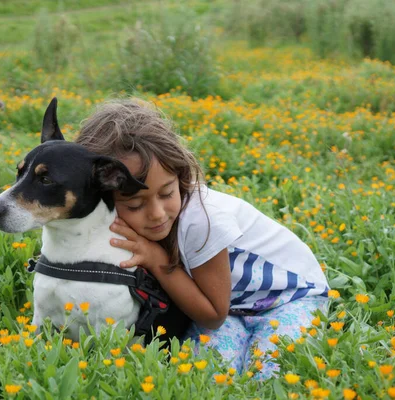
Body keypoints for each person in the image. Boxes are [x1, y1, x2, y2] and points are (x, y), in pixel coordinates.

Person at [75, 98, 330, 378]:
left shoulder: (202, 220)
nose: (157, 214)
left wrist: (157, 259)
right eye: (135, 205)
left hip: (290, 298)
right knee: (204, 373)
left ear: (180, 175)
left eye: (167, 193)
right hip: (232, 309)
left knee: (270, 373)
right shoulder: (111, 217)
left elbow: (212, 315)